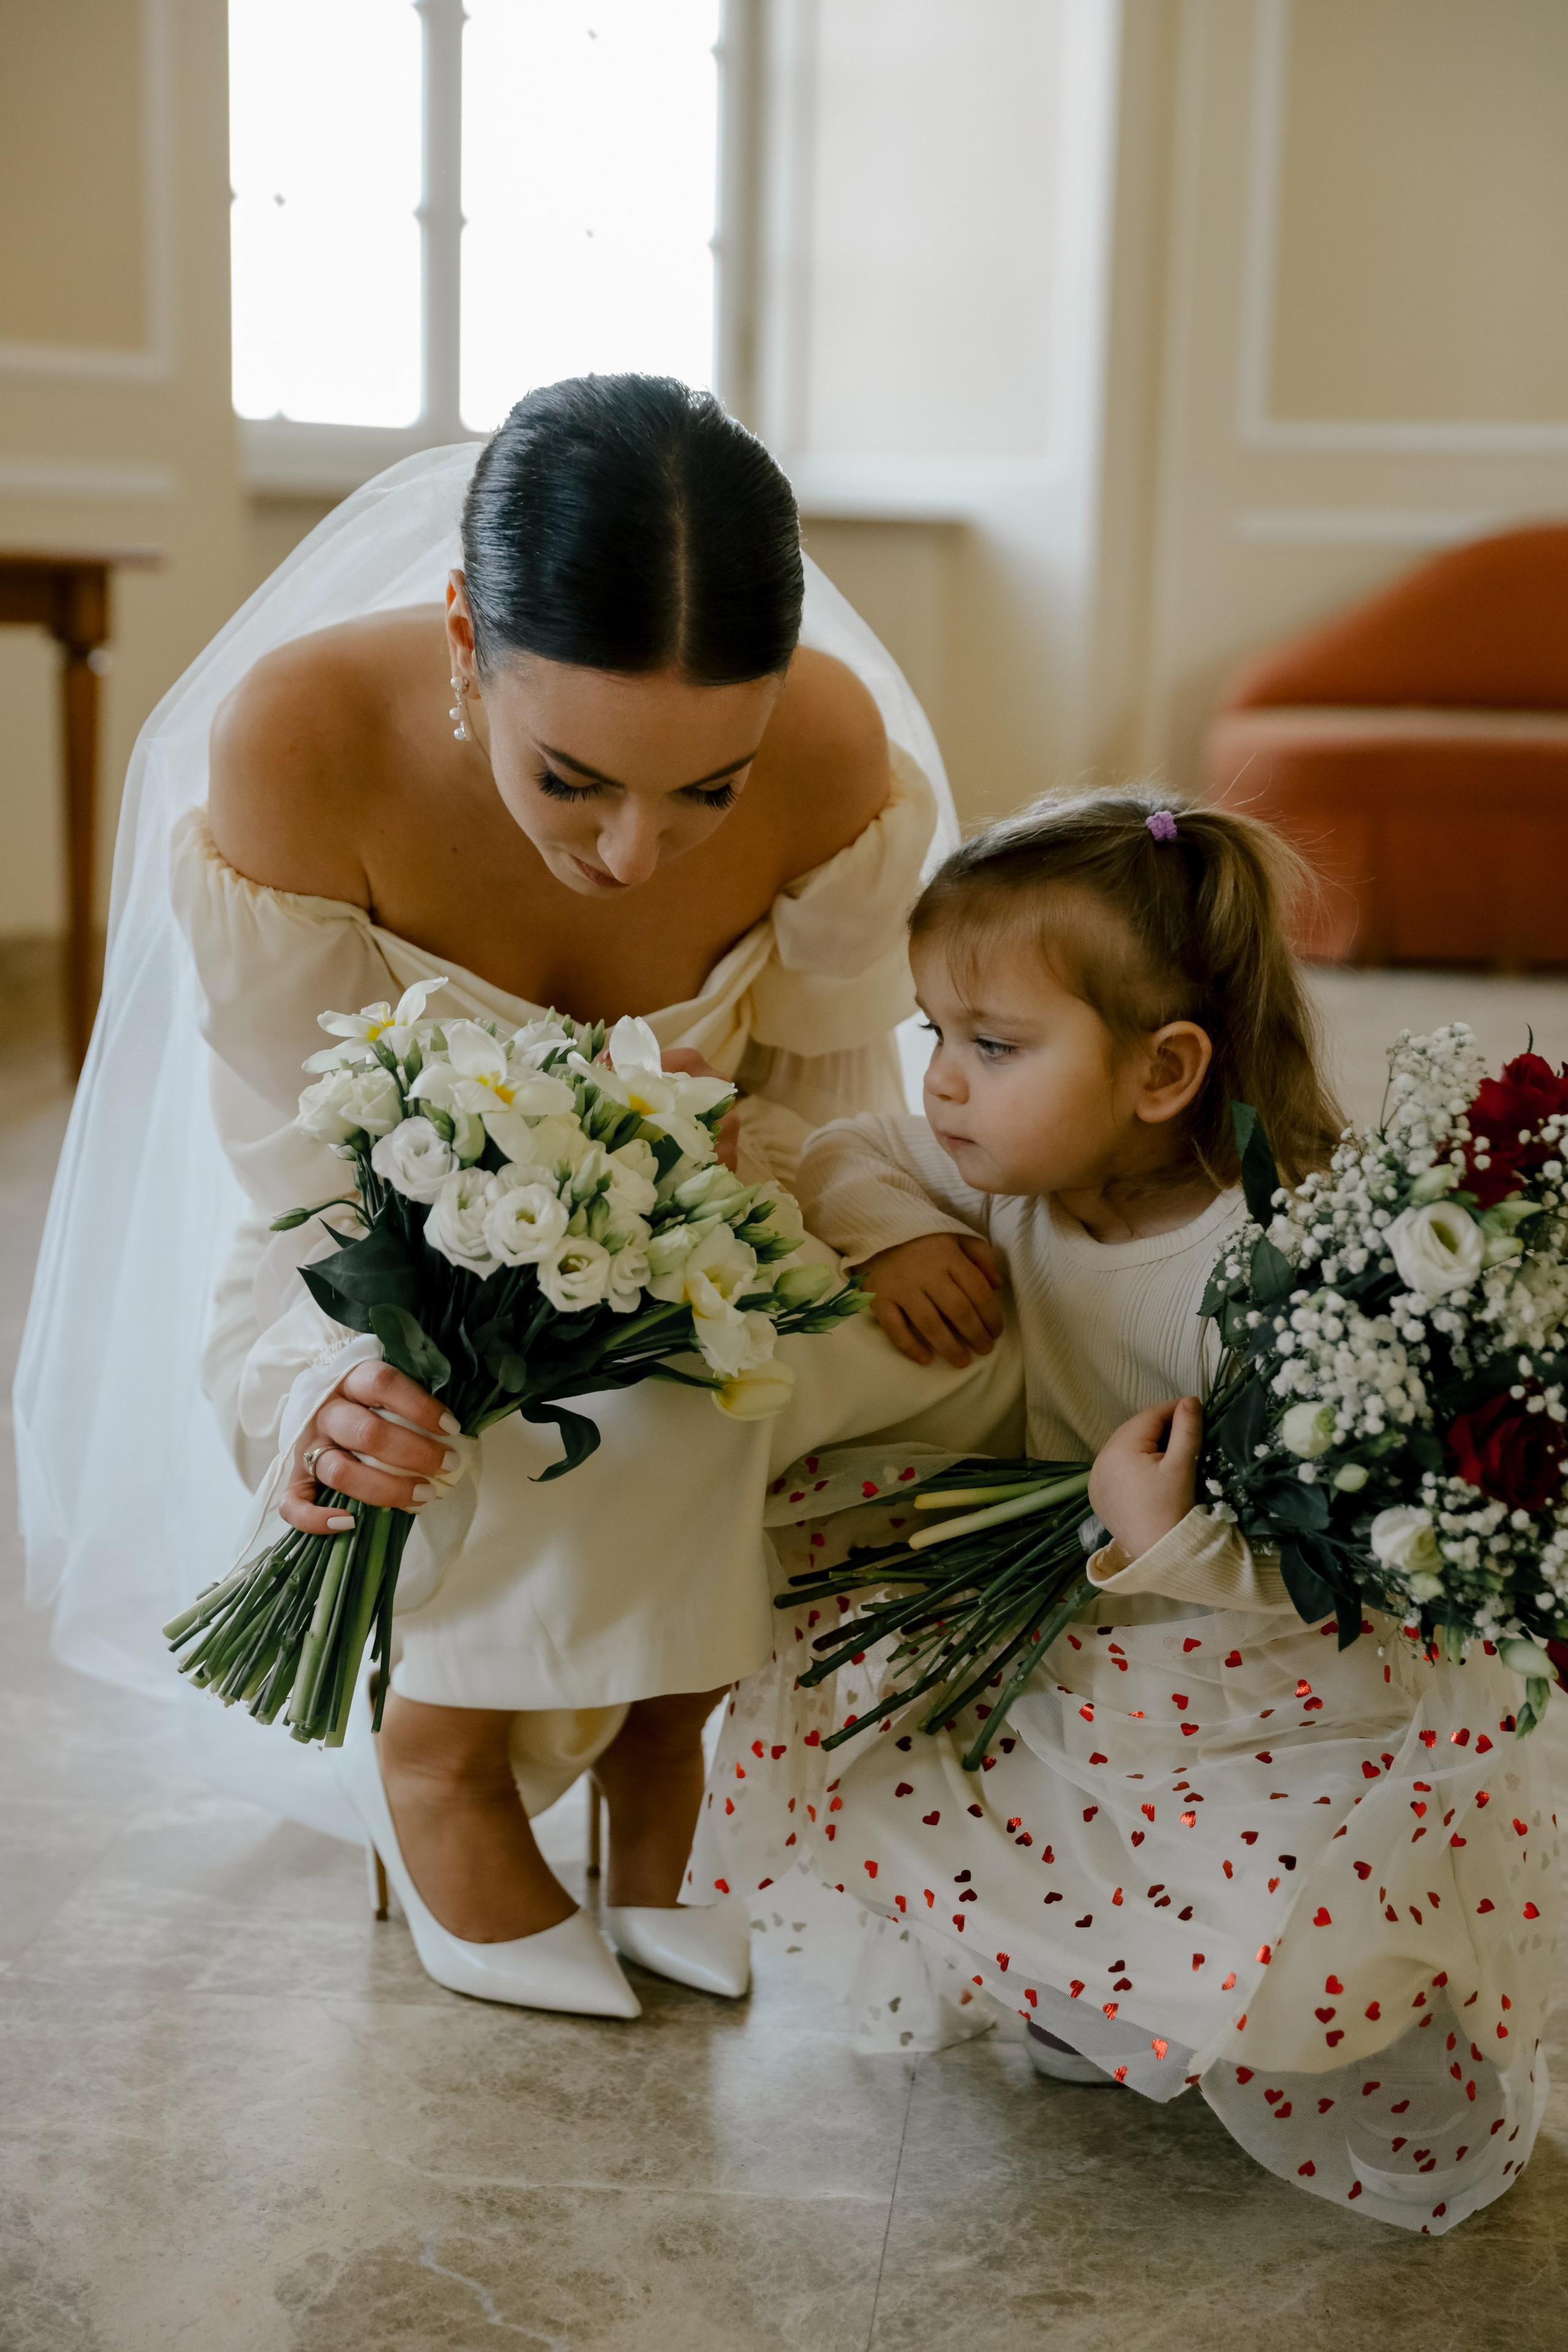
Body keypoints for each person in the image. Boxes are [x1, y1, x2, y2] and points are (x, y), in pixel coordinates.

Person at [18, 377, 1020, 2018]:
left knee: (969, 1356)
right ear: (466, 638)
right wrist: (339, 1375)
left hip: (722, 1212)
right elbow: (300, 1165)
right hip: (372, 1252)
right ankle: (443, 1772)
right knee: (508, 1416)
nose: (639, 854)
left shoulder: (837, 751)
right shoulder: (303, 738)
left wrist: (881, 1230)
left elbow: (825, 1109)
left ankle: (655, 1751)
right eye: (576, 779)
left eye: (710, 789)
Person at [696, 784, 1559, 2231]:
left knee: (1288, 1931)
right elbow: (847, 1146)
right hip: (1078, 1632)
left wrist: (1162, 1530)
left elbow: (1338, 1546)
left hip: (1252, 1657)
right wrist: (901, 1234)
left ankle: (1273, 1994)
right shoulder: (1016, 1174)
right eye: (933, 1037)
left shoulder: (1272, 1264)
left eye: (993, 1046)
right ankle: (1089, 1985)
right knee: (965, 1781)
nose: (942, 1087)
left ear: (1163, 1074)